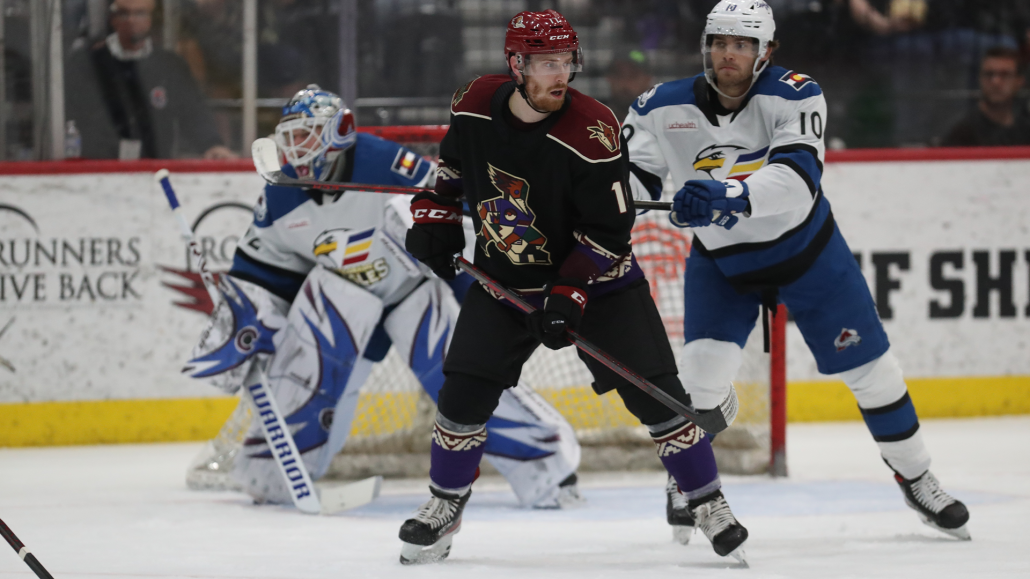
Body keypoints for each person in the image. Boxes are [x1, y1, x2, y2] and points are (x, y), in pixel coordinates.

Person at [397, 9, 746, 565]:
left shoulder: (593, 130)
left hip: (601, 285)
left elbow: (610, 231)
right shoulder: (472, 103)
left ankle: (707, 502)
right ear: (516, 64)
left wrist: (570, 292)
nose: (561, 75)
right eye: (546, 64)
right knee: (461, 397)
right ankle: (444, 506)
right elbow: (451, 174)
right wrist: (434, 221)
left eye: (567, 62)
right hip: (503, 283)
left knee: (662, 401)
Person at [623, 0, 970, 542]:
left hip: (810, 255)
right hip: (723, 263)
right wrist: (620, 206)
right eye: (719, 42)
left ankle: (917, 475)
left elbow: (797, 178)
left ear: (767, 52)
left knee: (875, 374)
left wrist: (724, 193)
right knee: (699, 380)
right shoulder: (657, 105)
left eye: (742, 44)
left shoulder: (797, 93)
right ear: (705, 46)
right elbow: (633, 182)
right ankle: (687, 483)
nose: (728, 54)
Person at [183, 85, 583, 511]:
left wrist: (426, 230)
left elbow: (467, 211)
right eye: (290, 138)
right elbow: (264, 271)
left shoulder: (387, 164)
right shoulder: (280, 192)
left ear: (342, 131)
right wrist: (245, 318)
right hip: (343, 301)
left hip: (415, 292)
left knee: (464, 383)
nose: (296, 150)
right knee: (304, 375)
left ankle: (549, 468)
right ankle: (274, 474)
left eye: (307, 135)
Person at [64, 0, 234, 160]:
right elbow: (71, 115)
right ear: (112, 19)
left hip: (155, 169)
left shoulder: (169, 65)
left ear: (151, 19)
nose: (131, 20)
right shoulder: (87, 63)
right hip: (99, 170)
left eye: (140, 13)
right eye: (124, 13)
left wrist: (211, 144)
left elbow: (193, 111)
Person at [942, 46, 1030, 146]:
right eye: (989, 74)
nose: (995, 82)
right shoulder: (962, 132)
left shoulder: (1026, 130)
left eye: (1005, 74)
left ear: (1019, 81)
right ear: (979, 78)